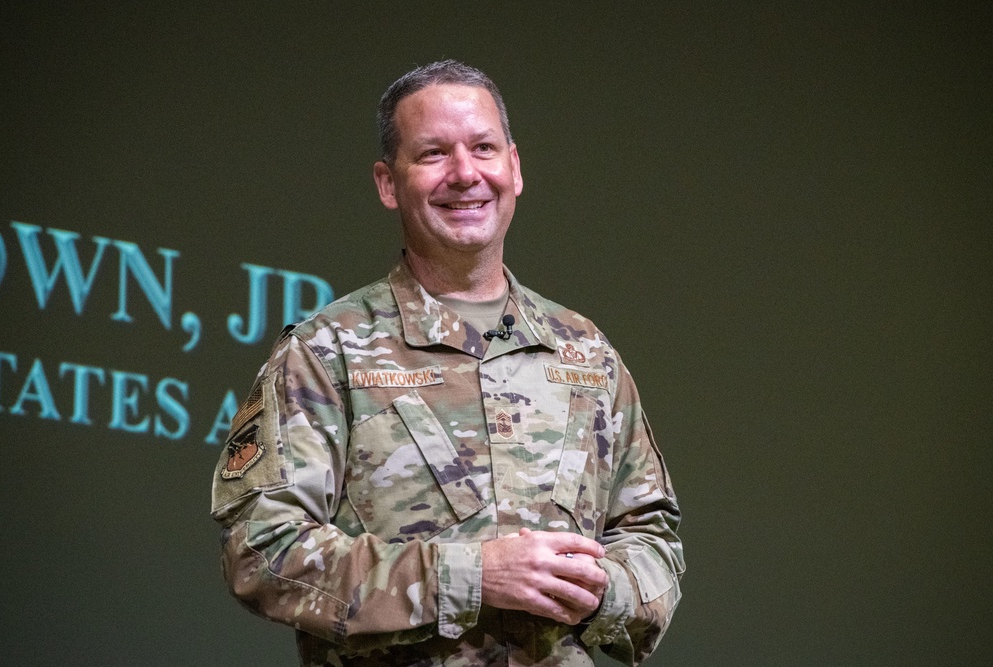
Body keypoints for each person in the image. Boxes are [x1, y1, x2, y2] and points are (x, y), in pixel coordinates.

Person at [211, 60, 684, 666]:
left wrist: (601, 592)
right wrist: (472, 576)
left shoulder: (585, 351)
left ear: (514, 168)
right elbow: (261, 549)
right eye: (433, 154)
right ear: (388, 183)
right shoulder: (327, 351)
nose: (466, 174)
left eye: (484, 148)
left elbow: (653, 539)